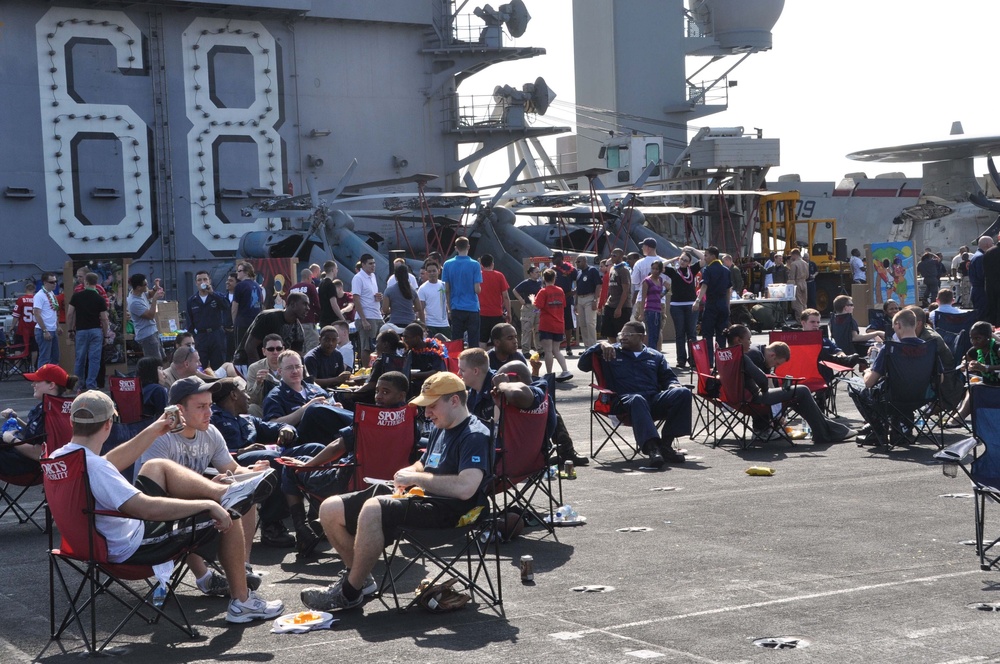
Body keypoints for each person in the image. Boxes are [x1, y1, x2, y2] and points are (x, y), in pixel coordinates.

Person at [53, 390, 283, 623]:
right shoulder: (95, 467)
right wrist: (205, 505)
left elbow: (107, 465)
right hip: (132, 547)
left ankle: (225, 491)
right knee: (230, 510)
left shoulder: (61, 458)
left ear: (72, 422)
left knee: (156, 466)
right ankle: (243, 603)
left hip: (92, 543)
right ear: (109, 424)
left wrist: (154, 430)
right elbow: (145, 509)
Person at [300, 372, 491, 612]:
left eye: (431, 406)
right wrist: (407, 472)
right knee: (330, 508)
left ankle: (348, 593)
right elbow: (424, 464)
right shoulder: (441, 426)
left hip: (454, 512)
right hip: (423, 499)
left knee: (373, 508)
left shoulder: (474, 434)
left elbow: (466, 488)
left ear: (454, 401)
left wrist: (415, 478)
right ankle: (359, 579)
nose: (426, 413)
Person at [138, 378, 276, 599]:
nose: (209, 412)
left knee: (244, 495)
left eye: (210, 405)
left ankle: (243, 567)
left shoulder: (210, 432)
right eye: (201, 407)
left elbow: (232, 468)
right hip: (158, 513)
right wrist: (211, 487)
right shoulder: (160, 437)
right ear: (179, 411)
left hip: (200, 500)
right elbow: (157, 494)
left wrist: (253, 471)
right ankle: (205, 578)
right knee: (221, 501)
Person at [278, 371, 412, 557]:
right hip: (391, 486)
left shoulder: (370, 418)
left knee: (290, 467)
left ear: (401, 395)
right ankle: (320, 523)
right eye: (377, 391)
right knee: (315, 453)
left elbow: (337, 448)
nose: (379, 396)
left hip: (350, 483)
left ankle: (302, 529)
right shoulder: (410, 418)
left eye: (385, 392)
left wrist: (306, 466)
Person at [578, 320, 691, 468]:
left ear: (641, 337)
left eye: (628, 334)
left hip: (652, 401)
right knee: (637, 399)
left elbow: (669, 378)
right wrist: (601, 344)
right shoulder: (611, 352)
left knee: (683, 392)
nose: (623, 337)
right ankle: (652, 449)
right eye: (621, 334)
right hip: (623, 403)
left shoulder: (655, 356)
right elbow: (583, 365)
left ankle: (666, 445)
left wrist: (673, 385)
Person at [725, 326, 859, 444]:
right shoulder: (749, 356)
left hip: (737, 397)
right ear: (738, 340)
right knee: (802, 390)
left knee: (795, 395)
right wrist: (772, 397)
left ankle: (831, 430)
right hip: (753, 399)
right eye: (748, 339)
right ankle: (827, 432)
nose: (750, 342)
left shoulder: (727, 354)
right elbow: (762, 381)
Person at [0, 364, 79, 475]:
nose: (33, 384)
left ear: (51, 385)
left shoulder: (48, 412)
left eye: (37, 381)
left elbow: (40, 453)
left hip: (31, 467)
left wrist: (11, 440)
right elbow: (37, 434)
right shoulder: (56, 407)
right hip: (29, 461)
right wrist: (16, 418)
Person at [67, 272, 109, 391]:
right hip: (96, 330)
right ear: (96, 283)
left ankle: (78, 384)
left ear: (85, 282)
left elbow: (70, 314)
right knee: (94, 359)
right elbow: (104, 319)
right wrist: (106, 335)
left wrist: (70, 329)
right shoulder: (100, 299)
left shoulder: (76, 296)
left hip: (81, 330)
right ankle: (91, 383)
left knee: (80, 358)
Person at [663, 248, 702, 369]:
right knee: (680, 333)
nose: (683, 262)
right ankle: (681, 360)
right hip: (676, 306)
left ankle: (693, 359)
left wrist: (693, 250)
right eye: (681, 259)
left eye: (685, 260)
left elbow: (704, 259)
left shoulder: (692, 270)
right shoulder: (673, 271)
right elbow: (659, 266)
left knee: (692, 333)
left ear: (689, 262)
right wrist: (672, 260)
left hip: (691, 305)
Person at [243, 291, 309, 362]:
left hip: (274, 367)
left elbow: (296, 356)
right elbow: (250, 347)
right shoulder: (268, 318)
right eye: (305, 304)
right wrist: (260, 368)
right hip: (245, 363)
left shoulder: (298, 328)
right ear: (292, 304)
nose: (308, 308)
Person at [692, 246, 731, 363]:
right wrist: (727, 306)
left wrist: (697, 301)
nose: (705, 257)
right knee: (721, 334)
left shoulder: (708, 269)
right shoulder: (726, 270)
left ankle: (709, 361)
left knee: (707, 333)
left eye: (706, 255)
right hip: (723, 305)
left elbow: (704, 286)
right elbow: (729, 290)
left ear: (713, 256)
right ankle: (722, 360)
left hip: (711, 304)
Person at [442, 237, 482, 348]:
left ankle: (456, 363)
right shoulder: (475, 265)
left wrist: (449, 308)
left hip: (456, 307)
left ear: (456, 248)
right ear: (468, 247)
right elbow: (477, 290)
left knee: (456, 340)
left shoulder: (447, 264)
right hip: (472, 307)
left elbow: (447, 290)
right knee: (473, 340)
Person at [186, 270, 230, 371]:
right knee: (200, 366)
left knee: (219, 367)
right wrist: (194, 338)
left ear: (209, 281)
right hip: (201, 337)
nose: (202, 282)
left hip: (216, 335)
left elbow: (226, 305)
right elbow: (190, 323)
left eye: (205, 279)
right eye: (199, 280)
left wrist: (212, 293)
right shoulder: (192, 300)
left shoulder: (217, 296)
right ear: (196, 283)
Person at [534, 268, 573, 382]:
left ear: (544, 279)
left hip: (546, 324)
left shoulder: (543, 291)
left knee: (548, 351)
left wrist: (532, 300)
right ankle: (565, 370)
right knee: (556, 350)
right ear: (554, 278)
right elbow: (563, 305)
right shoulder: (560, 290)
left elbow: (537, 307)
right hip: (559, 323)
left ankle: (549, 374)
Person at [352, 253, 383, 368]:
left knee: (382, 344)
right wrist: (364, 320)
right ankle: (366, 371)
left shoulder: (373, 276)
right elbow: (356, 299)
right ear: (363, 264)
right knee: (367, 346)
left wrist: (378, 297)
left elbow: (369, 295)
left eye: (374, 263)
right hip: (367, 317)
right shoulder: (358, 278)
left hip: (377, 315)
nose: (373, 265)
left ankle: (378, 368)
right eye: (370, 263)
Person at [401, 322, 448, 394]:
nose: (405, 340)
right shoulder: (409, 352)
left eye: (407, 337)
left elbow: (437, 372)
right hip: (414, 387)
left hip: (432, 387)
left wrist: (412, 375)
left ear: (417, 338)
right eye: (404, 337)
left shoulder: (434, 349)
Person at [127, 273, 164, 363]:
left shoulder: (139, 293)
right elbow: (150, 316)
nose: (147, 286)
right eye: (145, 284)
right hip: (147, 335)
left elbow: (149, 294)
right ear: (139, 287)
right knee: (155, 362)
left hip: (152, 331)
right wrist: (155, 299)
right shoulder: (134, 303)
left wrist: (156, 288)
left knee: (162, 358)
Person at [245, 333, 283, 417]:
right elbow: (250, 400)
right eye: (271, 349)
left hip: (287, 407)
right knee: (251, 408)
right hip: (265, 409)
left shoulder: (292, 365)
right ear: (264, 351)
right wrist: (258, 383)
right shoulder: (254, 368)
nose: (275, 352)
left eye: (279, 348)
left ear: (283, 350)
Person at [476, 254, 510, 348]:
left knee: (482, 340)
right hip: (496, 313)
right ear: (492, 264)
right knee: (496, 340)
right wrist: (509, 313)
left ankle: (482, 361)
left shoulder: (478, 276)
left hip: (481, 313)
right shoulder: (499, 276)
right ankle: (495, 361)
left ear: (481, 264)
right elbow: (506, 296)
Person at [231, 262, 264, 356]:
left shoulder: (239, 286)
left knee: (241, 350)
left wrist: (235, 323)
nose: (237, 273)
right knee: (255, 349)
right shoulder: (257, 286)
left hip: (243, 323)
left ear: (246, 272)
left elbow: (234, 307)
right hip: (256, 322)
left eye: (239, 271)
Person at [601, 248, 632, 342]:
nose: (612, 257)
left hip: (622, 306)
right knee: (608, 332)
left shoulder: (624, 270)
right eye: (611, 255)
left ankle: (621, 351)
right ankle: (615, 349)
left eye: (615, 255)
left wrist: (619, 308)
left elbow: (625, 290)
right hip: (610, 304)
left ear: (621, 256)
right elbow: (610, 288)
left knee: (621, 333)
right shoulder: (613, 269)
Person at [33, 271, 62, 367]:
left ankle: (51, 378)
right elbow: (37, 314)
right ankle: (41, 380)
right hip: (44, 330)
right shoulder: (39, 295)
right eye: (52, 282)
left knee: (55, 357)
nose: (55, 284)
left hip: (52, 329)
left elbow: (53, 311)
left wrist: (58, 326)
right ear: (45, 283)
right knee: (45, 358)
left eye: (55, 281)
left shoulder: (51, 293)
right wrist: (45, 330)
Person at [289, 268, 322, 353]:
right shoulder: (311, 287)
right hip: (308, 321)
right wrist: (318, 317)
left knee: (298, 347)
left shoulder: (292, 288)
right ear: (309, 277)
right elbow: (316, 303)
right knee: (313, 344)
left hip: (294, 322)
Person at [550, 251, 578, 354]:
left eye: (554, 258)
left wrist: (574, 291)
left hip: (567, 298)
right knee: (555, 322)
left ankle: (568, 346)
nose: (552, 260)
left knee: (568, 322)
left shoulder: (570, 269)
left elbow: (579, 280)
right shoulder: (552, 270)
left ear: (560, 258)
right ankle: (555, 347)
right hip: (555, 299)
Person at [382, 263, 423, 329]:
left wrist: (394, 309)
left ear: (395, 276)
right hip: (410, 323)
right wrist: (408, 308)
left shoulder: (389, 290)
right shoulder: (412, 290)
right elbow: (419, 307)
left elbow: (385, 309)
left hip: (395, 323)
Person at [513, 265, 542, 355]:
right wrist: (521, 299)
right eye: (536, 272)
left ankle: (540, 349)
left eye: (539, 272)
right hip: (528, 307)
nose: (538, 274)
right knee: (527, 329)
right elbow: (515, 290)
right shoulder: (526, 283)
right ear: (531, 273)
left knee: (538, 329)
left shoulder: (540, 283)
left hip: (537, 308)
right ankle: (526, 351)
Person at [637, 260, 667, 349]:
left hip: (658, 309)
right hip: (649, 310)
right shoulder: (647, 281)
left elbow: (659, 294)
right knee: (651, 334)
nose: (654, 271)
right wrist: (641, 313)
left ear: (660, 270)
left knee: (657, 334)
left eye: (657, 269)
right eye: (653, 268)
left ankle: (654, 352)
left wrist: (665, 291)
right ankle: (650, 353)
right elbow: (643, 298)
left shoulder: (660, 280)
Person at [417, 260, 450, 338]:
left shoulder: (444, 285)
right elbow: (421, 309)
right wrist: (423, 326)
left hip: (444, 324)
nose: (432, 273)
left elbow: (448, 301)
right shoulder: (422, 288)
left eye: (434, 271)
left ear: (438, 271)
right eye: (429, 271)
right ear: (426, 273)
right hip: (430, 324)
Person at [574, 256, 601, 350]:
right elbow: (578, 289)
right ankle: (587, 347)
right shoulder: (579, 273)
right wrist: (576, 303)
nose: (577, 263)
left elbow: (598, 285)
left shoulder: (592, 270)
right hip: (580, 299)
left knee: (590, 323)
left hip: (590, 297)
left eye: (579, 261)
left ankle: (593, 346)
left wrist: (595, 300)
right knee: (583, 324)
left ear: (585, 261)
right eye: (576, 262)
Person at [11, 280, 37, 367]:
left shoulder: (21, 299)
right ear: (34, 290)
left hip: (23, 328)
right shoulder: (37, 299)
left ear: (25, 289)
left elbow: (16, 315)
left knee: (18, 347)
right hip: (34, 327)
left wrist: (12, 326)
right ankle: (32, 366)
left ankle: (17, 367)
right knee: (34, 348)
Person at [969, 236, 994, 322]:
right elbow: (982, 275)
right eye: (992, 244)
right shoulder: (981, 257)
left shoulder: (977, 256)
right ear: (987, 245)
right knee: (983, 318)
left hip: (977, 290)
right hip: (981, 291)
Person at [786, 248, 809, 319]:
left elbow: (792, 277)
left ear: (794, 255)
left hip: (797, 283)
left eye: (791, 255)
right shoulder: (805, 263)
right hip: (804, 283)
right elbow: (807, 275)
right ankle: (806, 318)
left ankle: (800, 321)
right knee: (804, 303)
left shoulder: (794, 264)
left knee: (797, 303)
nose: (791, 257)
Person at [317, 261, 341, 327]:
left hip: (323, 319)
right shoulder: (331, 285)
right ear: (333, 270)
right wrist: (342, 318)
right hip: (331, 320)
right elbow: (334, 304)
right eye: (336, 268)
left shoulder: (321, 284)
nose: (337, 270)